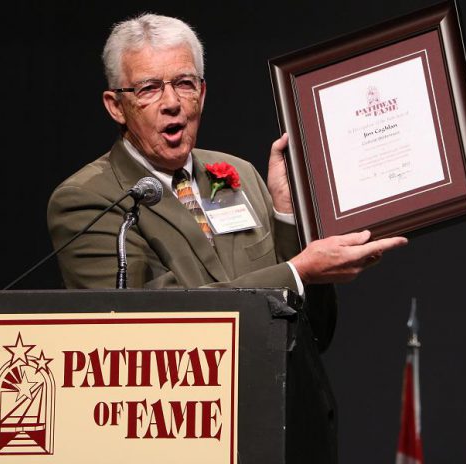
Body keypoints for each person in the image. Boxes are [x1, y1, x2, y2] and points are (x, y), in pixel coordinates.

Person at [47, 12, 406, 294]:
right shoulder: (87, 200)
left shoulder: (240, 173)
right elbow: (152, 325)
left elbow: (313, 331)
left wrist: (285, 217)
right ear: (116, 106)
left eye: (184, 84)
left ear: (201, 95)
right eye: (149, 88)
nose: (171, 103)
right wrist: (297, 273)